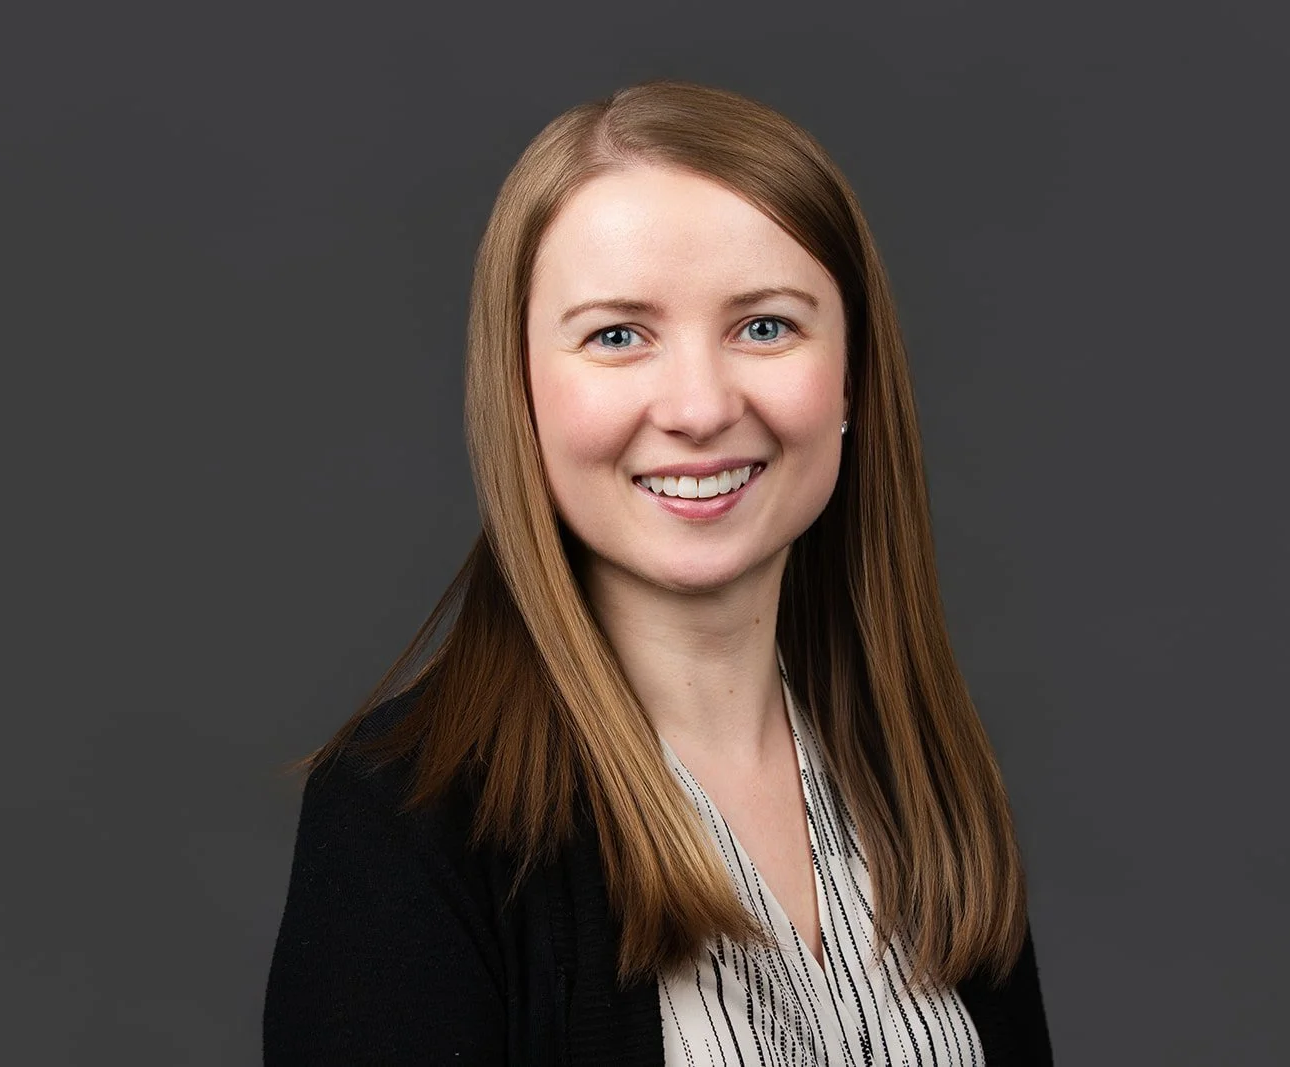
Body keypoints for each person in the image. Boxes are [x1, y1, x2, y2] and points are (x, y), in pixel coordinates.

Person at [263, 78, 1054, 1066]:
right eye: (616, 334)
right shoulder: (408, 822)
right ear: (520, 393)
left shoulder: (923, 785)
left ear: (851, 374)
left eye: (763, 325)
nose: (697, 404)